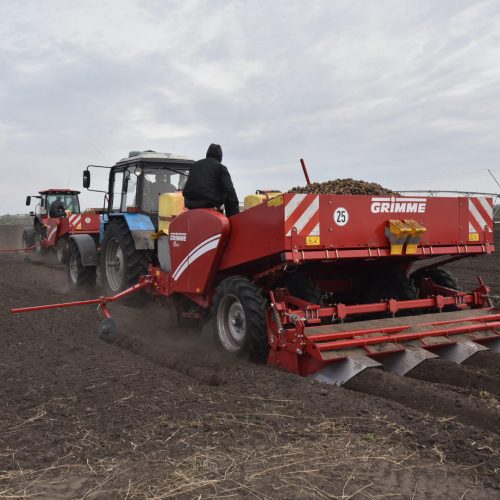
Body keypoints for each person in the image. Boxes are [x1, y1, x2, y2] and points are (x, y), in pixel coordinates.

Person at [182, 143, 239, 217]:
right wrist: (235, 213)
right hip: (206, 202)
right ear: (220, 156)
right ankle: (232, 219)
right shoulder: (220, 167)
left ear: (207, 154)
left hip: (189, 202)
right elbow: (230, 190)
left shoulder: (195, 165)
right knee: (228, 193)